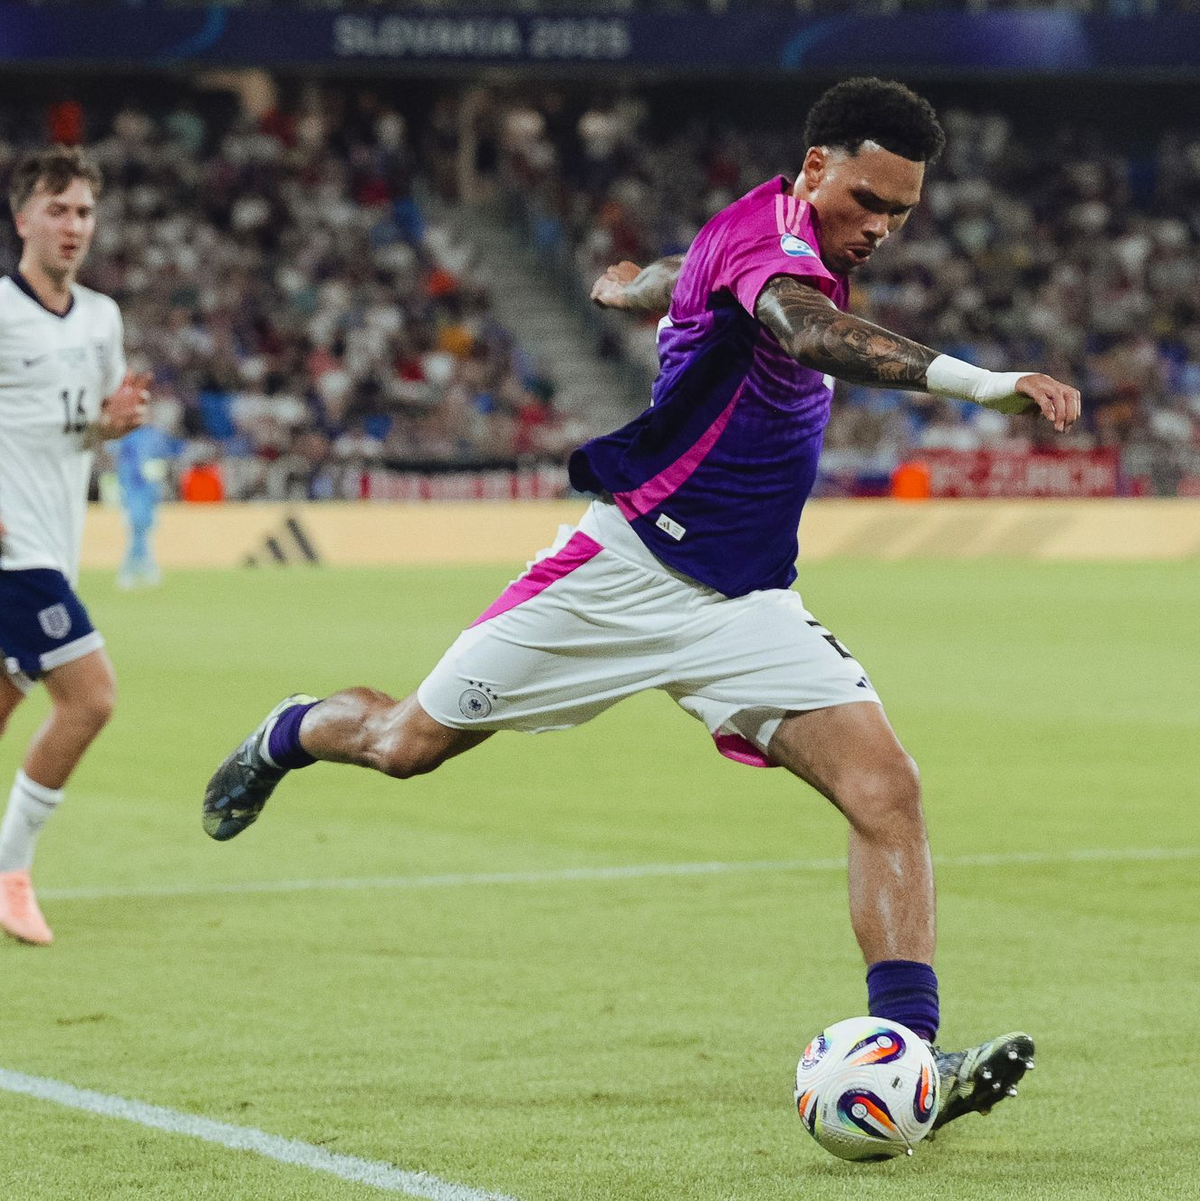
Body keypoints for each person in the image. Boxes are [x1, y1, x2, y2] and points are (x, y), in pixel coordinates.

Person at [204, 79, 1078, 1128]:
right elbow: (801, 332)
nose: (881, 228)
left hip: (746, 603)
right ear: (814, 170)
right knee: (404, 743)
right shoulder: (779, 259)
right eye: (867, 199)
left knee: (889, 792)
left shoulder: (749, 230)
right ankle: (289, 730)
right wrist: (985, 384)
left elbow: (690, 274)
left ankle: (911, 1065)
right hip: (622, 573)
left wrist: (635, 291)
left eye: (900, 211)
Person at [0, 146, 148, 945]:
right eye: (56, 209)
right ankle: (11, 871)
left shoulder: (101, 318)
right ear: (22, 218)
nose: (72, 225)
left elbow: (87, 423)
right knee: (90, 696)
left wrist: (111, 424)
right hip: (10, 547)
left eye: (83, 211)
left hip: (55, 543)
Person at [114, 422, 179, 589]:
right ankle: (139, 571)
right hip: (136, 494)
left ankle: (134, 571)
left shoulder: (140, 439)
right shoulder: (134, 440)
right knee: (139, 535)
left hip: (144, 494)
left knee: (140, 535)